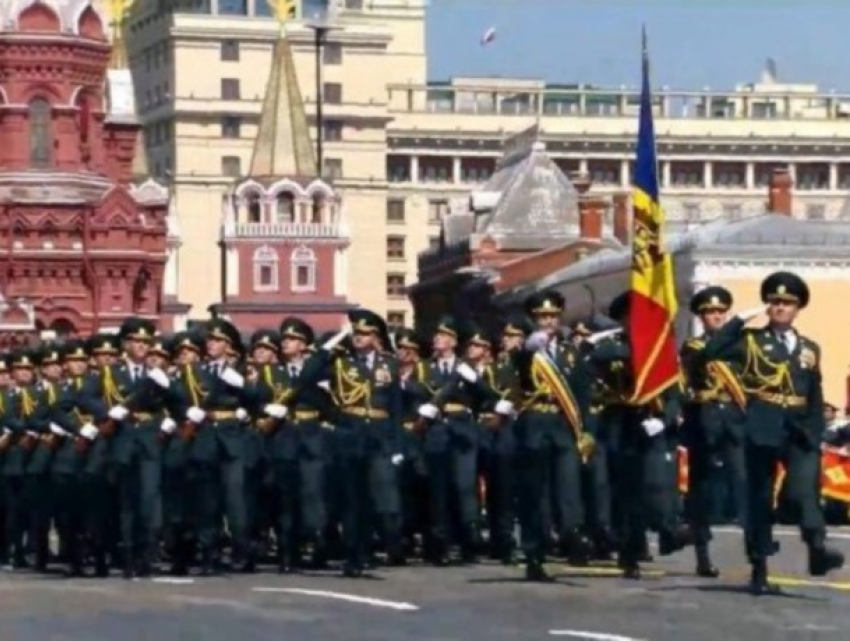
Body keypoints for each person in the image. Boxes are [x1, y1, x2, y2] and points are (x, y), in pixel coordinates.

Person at [703, 271, 844, 594]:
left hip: (798, 430)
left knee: (803, 492)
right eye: (775, 302)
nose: (780, 307)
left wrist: (816, 431)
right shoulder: (750, 340)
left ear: (798, 309)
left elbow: (814, 391)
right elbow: (713, 351)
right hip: (760, 426)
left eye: (787, 303)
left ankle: (817, 548)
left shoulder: (809, 348)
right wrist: (739, 319)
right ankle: (759, 566)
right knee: (759, 499)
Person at [680, 286, 747, 577]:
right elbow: (707, 354)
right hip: (704, 420)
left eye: (721, 312)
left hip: (736, 418)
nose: (716, 316)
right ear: (701, 317)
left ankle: (757, 553)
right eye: (710, 313)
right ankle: (702, 554)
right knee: (701, 491)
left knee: (743, 482)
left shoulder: (742, 344)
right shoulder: (694, 347)